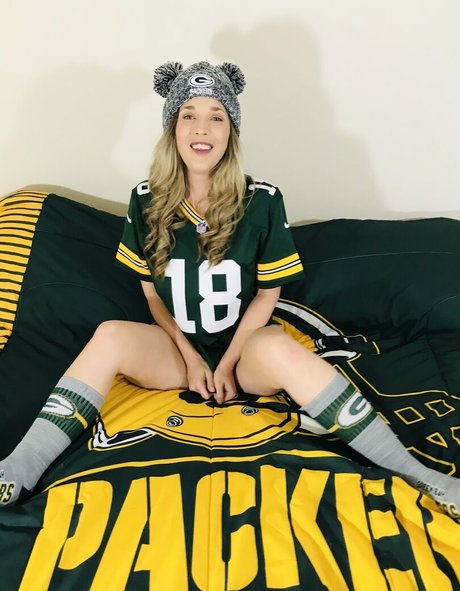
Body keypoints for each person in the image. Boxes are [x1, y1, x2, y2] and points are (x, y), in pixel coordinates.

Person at [0, 61, 458, 522]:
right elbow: (152, 295)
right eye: (189, 115)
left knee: (279, 346)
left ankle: (416, 472)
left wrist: (228, 362)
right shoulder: (146, 199)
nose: (202, 128)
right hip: (176, 354)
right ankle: (20, 467)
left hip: (245, 354)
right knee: (110, 334)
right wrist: (191, 357)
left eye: (216, 116)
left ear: (231, 131)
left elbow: (267, 295)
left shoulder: (262, 200)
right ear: (172, 128)